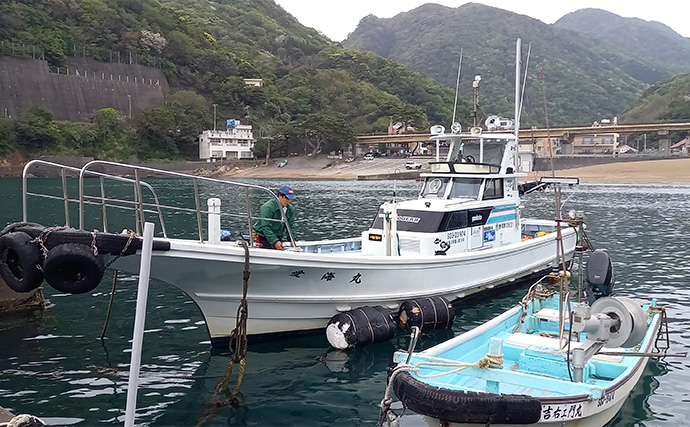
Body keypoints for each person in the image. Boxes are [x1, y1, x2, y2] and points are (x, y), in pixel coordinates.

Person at [253, 185, 296, 250]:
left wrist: (292, 240)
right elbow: (265, 226)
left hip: (278, 236)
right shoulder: (267, 207)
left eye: (290, 199)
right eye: (286, 198)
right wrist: (275, 241)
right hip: (263, 236)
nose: (288, 201)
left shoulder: (290, 209)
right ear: (280, 196)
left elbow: (291, 226)